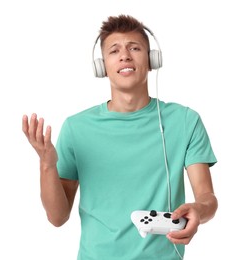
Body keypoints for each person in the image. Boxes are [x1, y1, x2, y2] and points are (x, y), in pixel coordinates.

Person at [22, 14, 218, 260]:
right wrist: (47, 166)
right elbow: (57, 217)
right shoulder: (76, 128)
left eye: (134, 48)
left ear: (152, 60)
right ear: (102, 66)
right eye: (114, 50)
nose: (125, 55)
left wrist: (198, 209)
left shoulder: (186, 121)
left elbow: (207, 198)